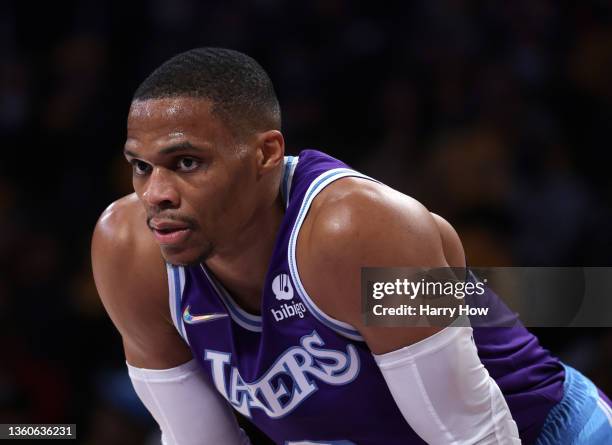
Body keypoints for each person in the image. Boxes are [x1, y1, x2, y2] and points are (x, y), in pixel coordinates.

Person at [91, 47, 612, 445]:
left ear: (266, 154)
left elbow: (474, 434)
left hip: (538, 431)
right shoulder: (128, 249)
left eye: (186, 163)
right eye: (142, 165)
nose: (156, 193)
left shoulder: (358, 231)